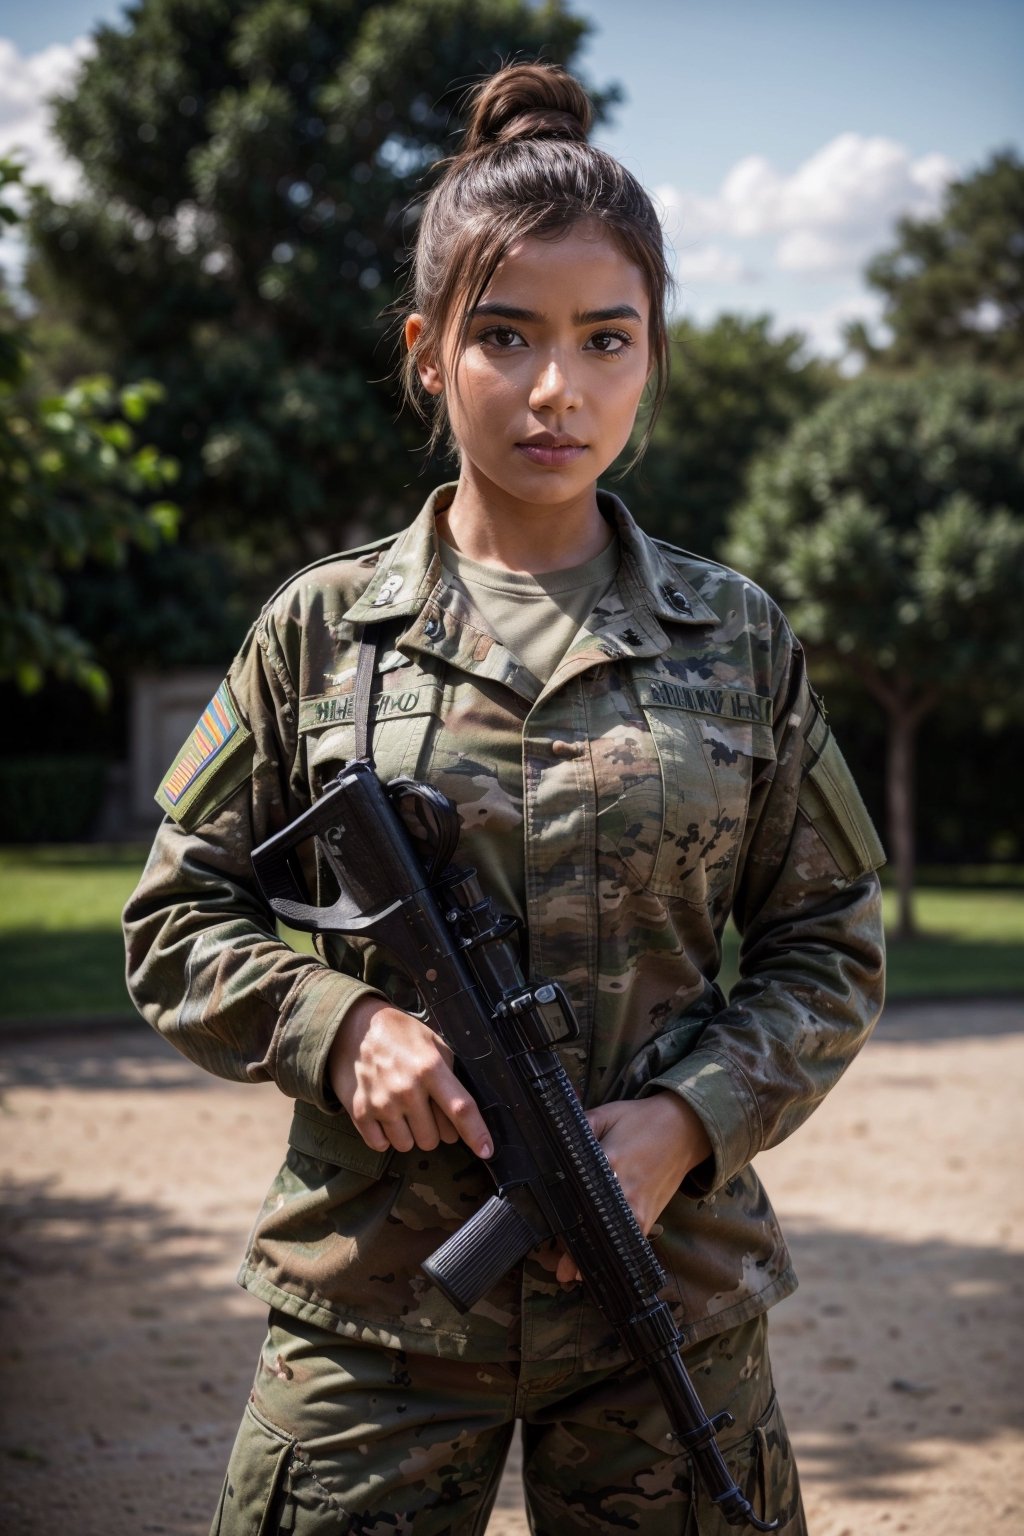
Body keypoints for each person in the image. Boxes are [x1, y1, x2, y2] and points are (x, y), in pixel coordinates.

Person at [123, 61, 885, 1536]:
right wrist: (337, 1026)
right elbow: (176, 916)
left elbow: (830, 940)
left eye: (608, 339)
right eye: (506, 337)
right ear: (427, 352)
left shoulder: (737, 639)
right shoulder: (319, 630)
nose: (559, 389)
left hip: (670, 1291)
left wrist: (687, 1117)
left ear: (655, 351)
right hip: (379, 1310)